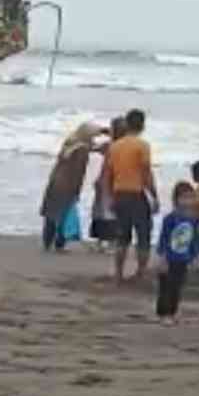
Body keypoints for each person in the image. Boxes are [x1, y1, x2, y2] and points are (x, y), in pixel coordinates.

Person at [104, 107, 159, 284]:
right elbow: (146, 173)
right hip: (136, 194)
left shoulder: (115, 147)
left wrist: (109, 197)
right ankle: (140, 273)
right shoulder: (142, 146)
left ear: (127, 124)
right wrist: (154, 195)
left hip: (119, 194)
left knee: (122, 237)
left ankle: (118, 274)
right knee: (143, 235)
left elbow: (108, 175)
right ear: (142, 126)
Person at [40, 122, 105, 253]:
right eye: (93, 136)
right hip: (67, 185)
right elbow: (77, 172)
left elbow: (93, 147)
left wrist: (104, 131)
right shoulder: (82, 150)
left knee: (51, 214)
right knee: (64, 215)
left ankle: (47, 242)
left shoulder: (70, 142)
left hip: (55, 181)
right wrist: (76, 190)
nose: (94, 139)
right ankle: (59, 245)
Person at [156, 181, 199, 323]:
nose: (187, 201)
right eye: (184, 198)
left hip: (183, 259)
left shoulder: (194, 220)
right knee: (167, 287)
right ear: (176, 200)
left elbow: (195, 240)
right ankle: (165, 313)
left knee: (177, 287)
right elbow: (163, 239)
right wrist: (162, 258)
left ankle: (173, 311)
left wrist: (195, 257)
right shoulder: (170, 219)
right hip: (170, 258)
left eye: (190, 197)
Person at [89, 116, 126, 251]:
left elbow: (92, 148)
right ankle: (110, 242)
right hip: (117, 181)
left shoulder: (110, 145)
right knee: (112, 211)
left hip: (106, 180)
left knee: (104, 211)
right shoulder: (121, 145)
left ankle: (104, 241)